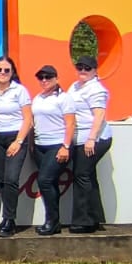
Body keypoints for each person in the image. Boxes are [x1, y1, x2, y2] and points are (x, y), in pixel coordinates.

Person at [67, 54, 113, 233]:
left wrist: (91, 139)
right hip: (80, 138)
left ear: (95, 71)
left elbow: (99, 115)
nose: (83, 71)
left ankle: (84, 221)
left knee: (81, 175)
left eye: (87, 68)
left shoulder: (96, 89)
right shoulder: (76, 86)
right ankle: (95, 218)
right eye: (80, 67)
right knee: (88, 176)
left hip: (93, 139)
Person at [0, 56, 33, 237]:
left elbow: (28, 119)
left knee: (11, 179)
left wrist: (19, 141)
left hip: (15, 137)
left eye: (7, 70)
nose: (3, 73)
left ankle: (10, 220)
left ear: (13, 72)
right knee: (2, 181)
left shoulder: (19, 90)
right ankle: (6, 219)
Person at [30, 64, 75, 236]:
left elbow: (70, 123)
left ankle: (52, 220)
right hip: (40, 146)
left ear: (56, 78)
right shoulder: (38, 98)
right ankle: (53, 221)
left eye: (48, 77)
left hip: (57, 145)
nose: (44, 80)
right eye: (41, 77)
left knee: (45, 181)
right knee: (51, 183)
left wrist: (65, 146)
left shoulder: (64, 98)